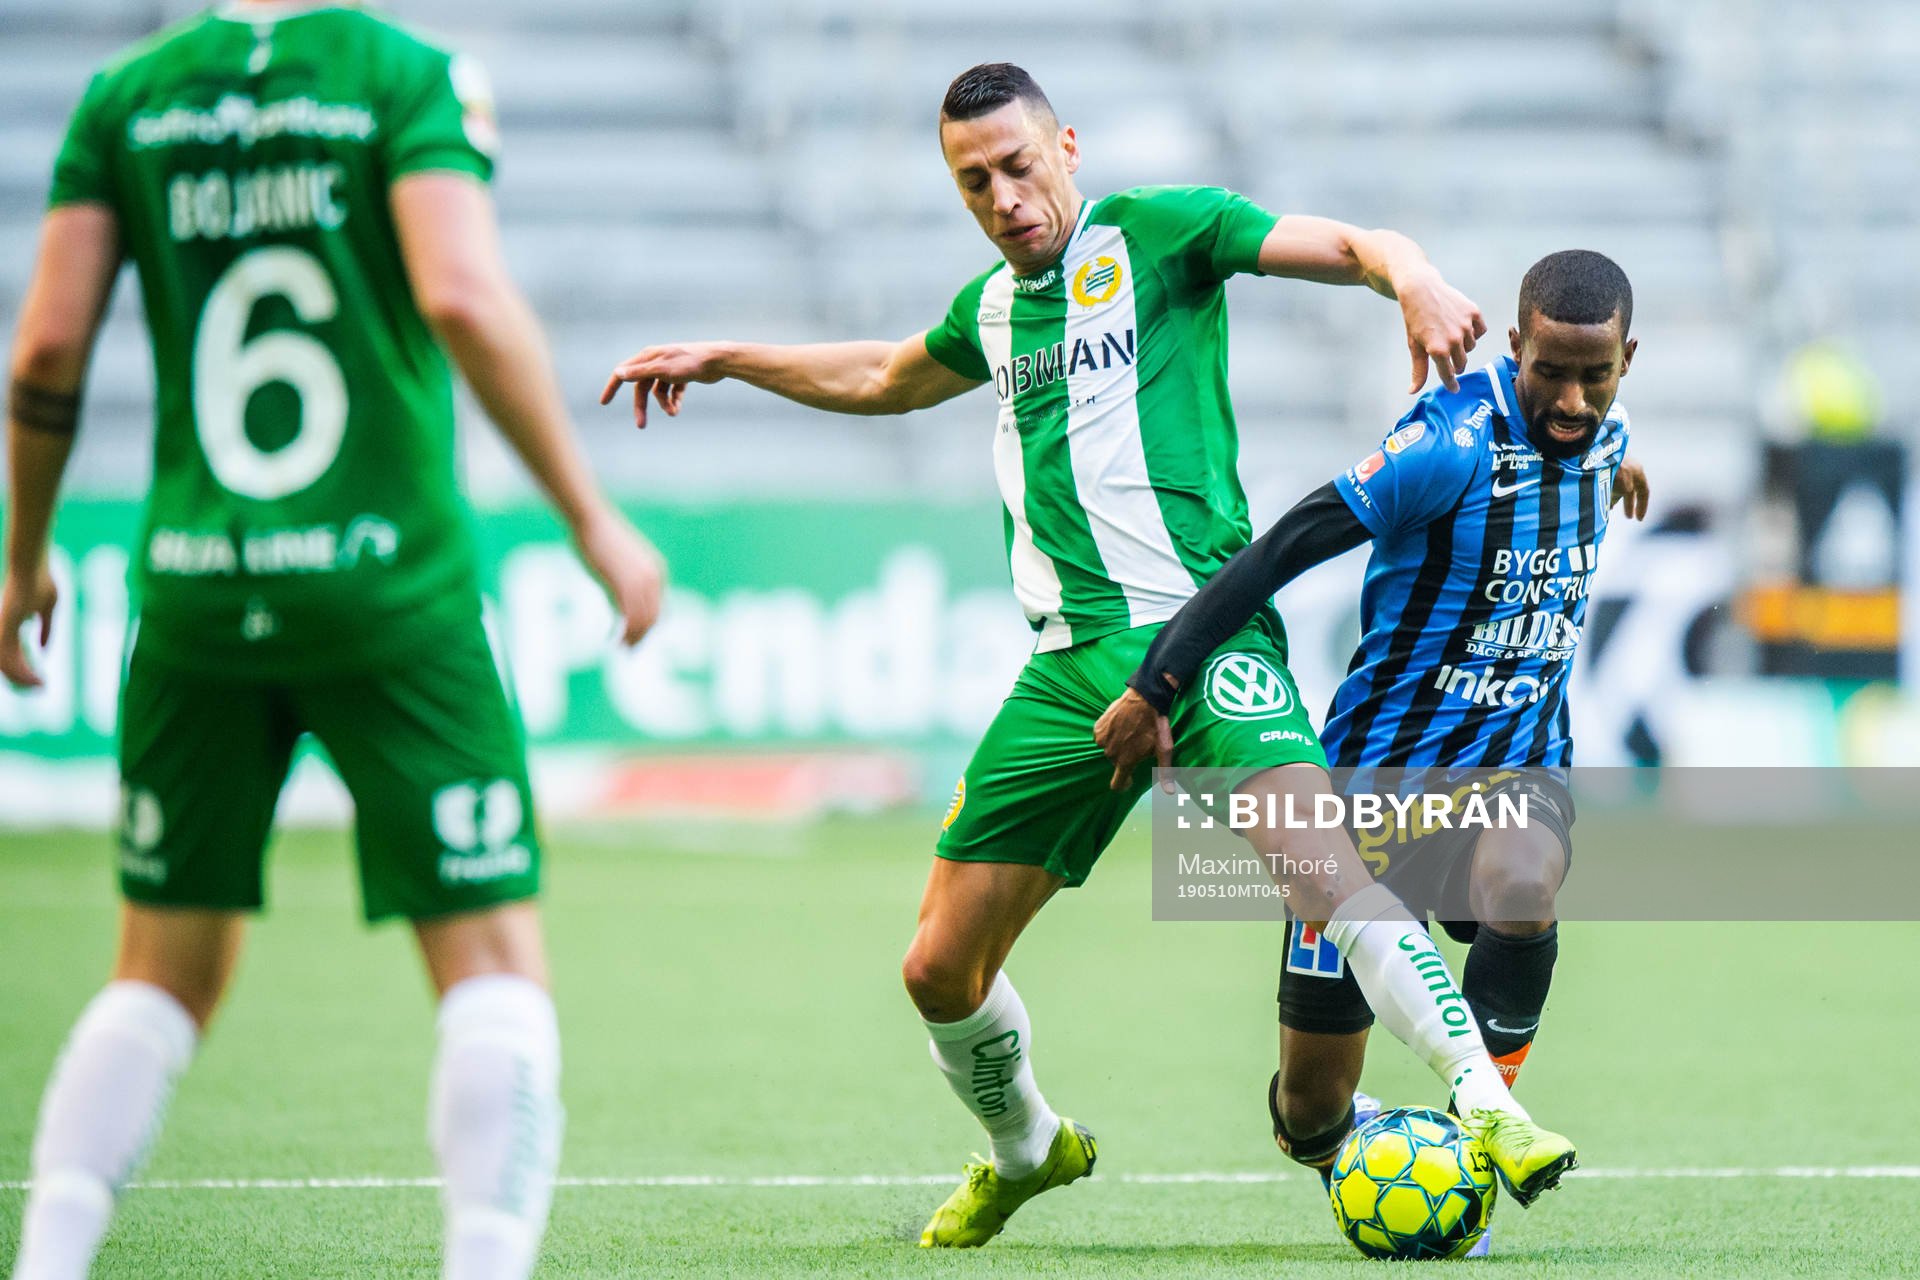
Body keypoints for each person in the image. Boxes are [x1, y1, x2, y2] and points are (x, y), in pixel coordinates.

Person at [602, 62, 1572, 1248]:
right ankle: (1027, 1147)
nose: (1005, 196)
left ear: (1066, 146)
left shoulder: (1158, 233)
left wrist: (1411, 274)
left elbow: (1347, 243)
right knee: (936, 970)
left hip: (1200, 630)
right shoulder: (992, 314)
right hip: (1066, 667)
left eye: (1018, 165)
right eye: (974, 182)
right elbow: (884, 375)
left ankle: (1486, 1104)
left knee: (1330, 871)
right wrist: (728, 356)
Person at [0, 5, 664, 1278]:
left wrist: (23, 552)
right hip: (390, 586)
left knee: (158, 971)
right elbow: (463, 294)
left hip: (197, 582)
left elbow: (45, 344)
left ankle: (48, 1257)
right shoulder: (402, 78)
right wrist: (591, 516)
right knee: (489, 961)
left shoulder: (124, 99)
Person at [1096, 250, 1644, 1253]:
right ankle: (1357, 1137)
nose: (1571, 401)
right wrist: (1156, 682)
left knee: (1524, 882)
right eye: (1549, 375)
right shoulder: (1445, 447)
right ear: (1513, 348)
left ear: (1626, 362)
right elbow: (1281, 548)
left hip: (1517, 774)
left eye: (1595, 378)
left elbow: (1594, 444)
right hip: (1373, 792)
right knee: (1310, 1114)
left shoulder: (1603, 435)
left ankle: (1478, 1140)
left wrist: (1619, 462)